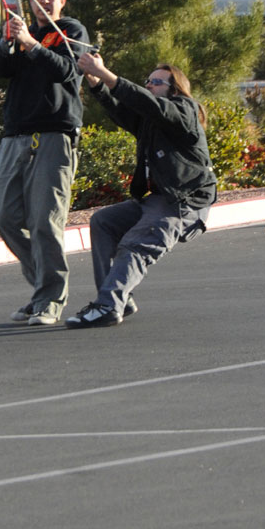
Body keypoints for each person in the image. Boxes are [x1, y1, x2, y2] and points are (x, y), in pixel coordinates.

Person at [66, 54, 217, 329]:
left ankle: (108, 306)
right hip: (158, 200)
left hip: (183, 202)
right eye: (147, 81)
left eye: (156, 82)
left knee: (134, 245)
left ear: (175, 88)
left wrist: (107, 75)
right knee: (103, 222)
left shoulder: (184, 110)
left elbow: (151, 105)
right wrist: (97, 83)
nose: (149, 85)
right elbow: (124, 111)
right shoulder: (151, 121)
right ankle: (118, 297)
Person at [0, 0, 89, 326]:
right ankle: (43, 288)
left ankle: (49, 298)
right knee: (7, 217)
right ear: (29, 1)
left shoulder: (70, 31)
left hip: (54, 134)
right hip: (15, 135)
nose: (44, 0)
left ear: (63, 0)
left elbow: (65, 71)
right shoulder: (21, 34)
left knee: (46, 222)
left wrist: (32, 44)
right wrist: (8, 42)